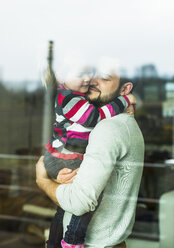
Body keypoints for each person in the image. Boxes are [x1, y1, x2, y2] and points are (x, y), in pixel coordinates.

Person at [36, 71, 144, 248]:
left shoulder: (108, 128)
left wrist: (42, 181)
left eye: (105, 78)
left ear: (125, 88)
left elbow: (80, 203)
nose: (91, 80)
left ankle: (71, 240)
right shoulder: (122, 124)